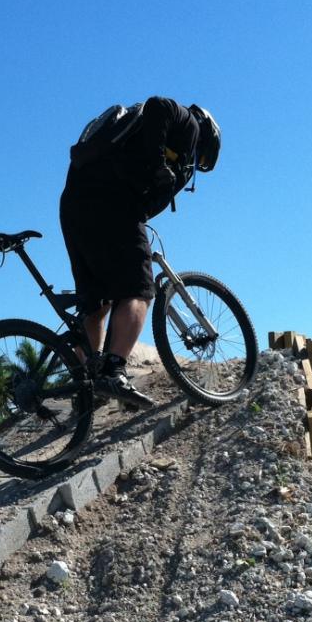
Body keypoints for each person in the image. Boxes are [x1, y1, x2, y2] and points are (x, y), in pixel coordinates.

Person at [60, 97, 221, 408]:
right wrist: (159, 164)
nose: (192, 164)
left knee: (96, 303)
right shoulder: (186, 121)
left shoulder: (126, 143)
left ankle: (86, 384)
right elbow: (158, 105)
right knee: (139, 291)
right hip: (113, 202)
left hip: (74, 204)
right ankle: (114, 372)